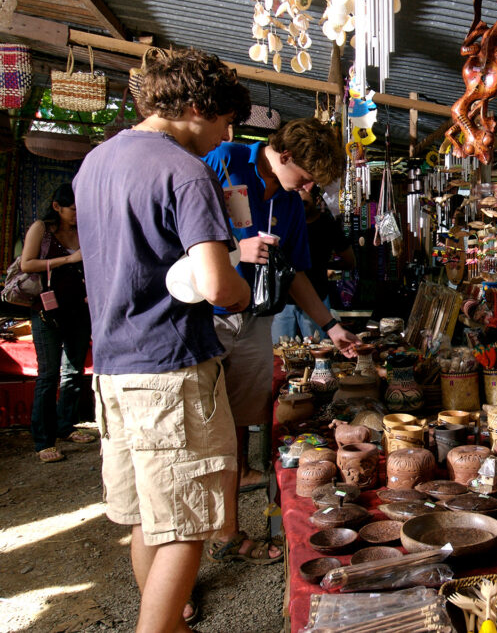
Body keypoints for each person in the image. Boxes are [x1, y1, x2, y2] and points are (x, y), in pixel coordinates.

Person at [73, 47, 252, 632]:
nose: (226, 135)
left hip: (114, 368)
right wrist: (241, 292)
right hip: (170, 369)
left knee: (149, 519)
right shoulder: (184, 170)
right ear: (198, 106)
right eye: (226, 122)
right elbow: (215, 282)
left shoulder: (94, 164)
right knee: (188, 523)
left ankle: (168, 624)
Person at [202, 117, 360, 566]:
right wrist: (234, 251)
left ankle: (228, 530)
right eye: (306, 177)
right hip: (206, 318)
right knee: (201, 429)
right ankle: (189, 545)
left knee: (235, 426)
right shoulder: (227, 160)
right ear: (284, 155)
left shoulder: (290, 204)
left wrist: (331, 326)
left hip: (253, 321)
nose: (309, 188)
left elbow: (295, 276)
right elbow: (178, 227)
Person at [19, 183, 94, 463]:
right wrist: (68, 259)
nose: (77, 215)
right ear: (56, 207)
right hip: (45, 311)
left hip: (78, 309)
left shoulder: (83, 228)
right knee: (48, 376)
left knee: (73, 371)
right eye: (72, 210)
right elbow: (27, 264)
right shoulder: (42, 229)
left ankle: (65, 426)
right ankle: (43, 441)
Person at [271, 184, 355, 342]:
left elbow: (349, 261)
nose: (297, 200)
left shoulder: (328, 225)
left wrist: (323, 265)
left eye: (302, 195)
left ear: (317, 199)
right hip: (283, 299)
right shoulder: (286, 222)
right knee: (281, 354)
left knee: (318, 352)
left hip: (315, 296)